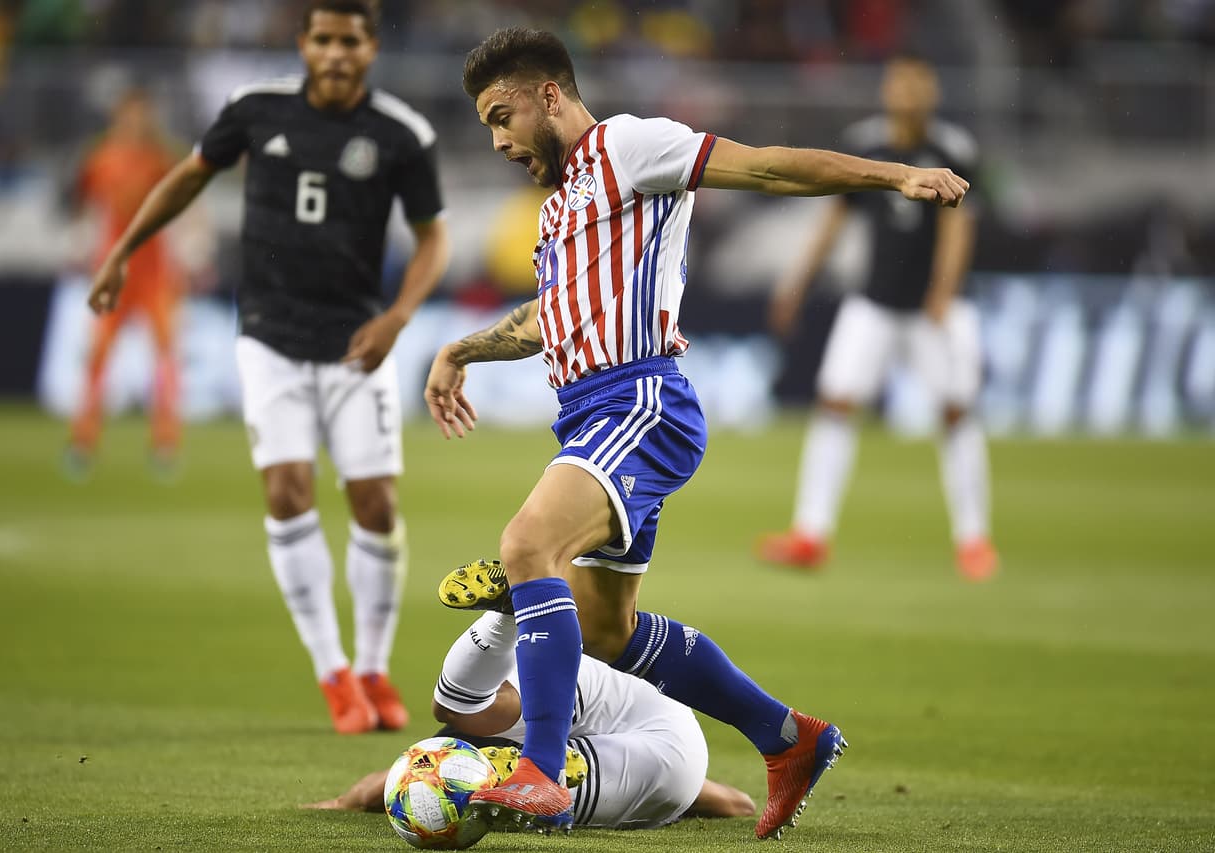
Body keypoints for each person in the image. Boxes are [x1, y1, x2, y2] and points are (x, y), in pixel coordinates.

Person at [421, 27, 968, 839]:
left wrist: (895, 174)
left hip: (637, 403)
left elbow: (769, 166)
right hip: (593, 416)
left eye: (502, 117)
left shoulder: (629, 147)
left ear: (549, 95)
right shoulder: (565, 204)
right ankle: (787, 737)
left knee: (527, 546)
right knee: (605, 629)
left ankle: (540, 770)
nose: (498, 141)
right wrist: (461, 349)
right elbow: (550, 317)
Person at [86, 0, 450, 734]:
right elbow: (190, 176)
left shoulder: (402, 134)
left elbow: (432, 238)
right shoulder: (255, 109)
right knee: (286, 492)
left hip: (357, 341)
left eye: (350, 41)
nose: (336, 53)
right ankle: (333, 672)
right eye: (324, 39)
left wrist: (398, 317)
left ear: (371, 48)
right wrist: (124, 249)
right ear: (303, 43)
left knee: (376, 505)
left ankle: (373, 666)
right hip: (269, 337)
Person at [758, 54, 998, 582]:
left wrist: (943, 292)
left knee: (956, 413)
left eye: (917, 84)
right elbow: (835, 219)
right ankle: (810, 534)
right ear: (887, 90)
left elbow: (960, 227)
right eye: (900, 83)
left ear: (932, 92)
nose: (908, 94)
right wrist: (797, 283)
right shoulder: (866, 144)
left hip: (933, 309)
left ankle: (974, 540)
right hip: (873, 303)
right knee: (835, 404)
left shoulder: (952, 150)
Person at [305, 604, 756, 829]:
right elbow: (733, 801)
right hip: (669, 735)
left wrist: (344, 802)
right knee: (464, 710)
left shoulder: (522, 694)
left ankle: (499, 622)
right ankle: (499, 621)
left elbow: (395, 781)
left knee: (470, 762)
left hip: (659, 755)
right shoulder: (535, 676)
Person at [65, 88, 186, 477]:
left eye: (141, 116)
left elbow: (185, 200)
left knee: (165, 359)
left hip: (155, 276)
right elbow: (82, 204)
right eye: (129, 115)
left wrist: (190, 251)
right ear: (118, 117)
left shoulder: (160, 158)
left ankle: (165, 444)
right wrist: (80, 245)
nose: (135, 123)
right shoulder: (100, 158)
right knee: (97, 358)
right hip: (113, 275)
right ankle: (83, 442)